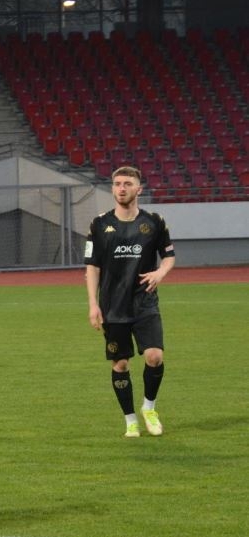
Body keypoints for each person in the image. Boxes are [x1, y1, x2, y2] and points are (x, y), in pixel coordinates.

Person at [85, 166, 175, 438]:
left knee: (154, 356)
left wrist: (160, 273)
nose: (121, 188)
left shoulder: (154, 222)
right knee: (121, 364)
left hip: (144, 302)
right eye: (117, 184)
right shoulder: (99, 224)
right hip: (113, 306)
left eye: (127, 183)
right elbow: (92, 267)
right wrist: (93, 304)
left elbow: (169, 256)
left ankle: (149, 407)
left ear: (139, 189)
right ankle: (130, 420)